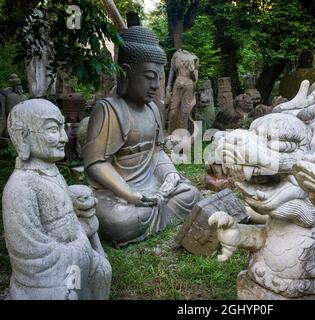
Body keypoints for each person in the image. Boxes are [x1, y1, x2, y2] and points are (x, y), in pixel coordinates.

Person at [82, 26, 201, 246]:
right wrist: (129, 195)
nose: (155, 85)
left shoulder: (153, 110)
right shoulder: (108, 109)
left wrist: (170, 175)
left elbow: (157, 151)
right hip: (117, 192)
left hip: (151, 185)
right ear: (126, 72)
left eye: (159, 77)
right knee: (120, 221)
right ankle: (148, 215)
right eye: (149, 77)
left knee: (191, 194)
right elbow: (96, 164)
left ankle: (155, 210)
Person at [3, 99, 111, 300]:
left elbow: (57, 205)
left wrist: (75, 201)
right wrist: (81, 239)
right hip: (42, 281)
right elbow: (29, 254)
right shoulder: (20, 187)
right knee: (64, 296)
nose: (64, 138)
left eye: (62, 128)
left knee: (102, 270)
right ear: (23, 137)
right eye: (53, 130)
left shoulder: (52, 172)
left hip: (72, 262)